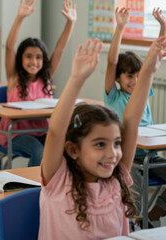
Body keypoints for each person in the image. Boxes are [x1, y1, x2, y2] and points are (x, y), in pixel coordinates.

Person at [39, 36, 166, 239]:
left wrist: (149, 71)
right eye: (100, 144)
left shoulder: (115, 178)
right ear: (73, 149)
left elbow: (131, 123)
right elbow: (55, 131)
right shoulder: (59, 180)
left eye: (116, 143)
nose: (113, 153)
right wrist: (76, 79)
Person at [104, 7, 166, 224]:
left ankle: (152, 215)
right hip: (128, 160)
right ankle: (131, 223)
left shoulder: (143, 92)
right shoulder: (113, 96)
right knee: (134, 189)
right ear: (118, 78)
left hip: (150, 154)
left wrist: (162, 25)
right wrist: (120, 27)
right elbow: (111, 62)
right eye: (130, 76)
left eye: (139, 76)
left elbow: (156, 54)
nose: (135, 81)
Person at [0, 0, 76, 167]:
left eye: (38, 57)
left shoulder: (46, 78)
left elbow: (60, 48)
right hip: (16, 133)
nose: (34, 61)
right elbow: (10, 47)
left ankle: (59, 187)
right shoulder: (14, 77)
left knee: (68, 147)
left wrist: (71, 22)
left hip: (43, 131)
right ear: (21, 58)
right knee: (39, 152)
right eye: (29, 56)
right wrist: (19, 17)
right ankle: (34, 190)